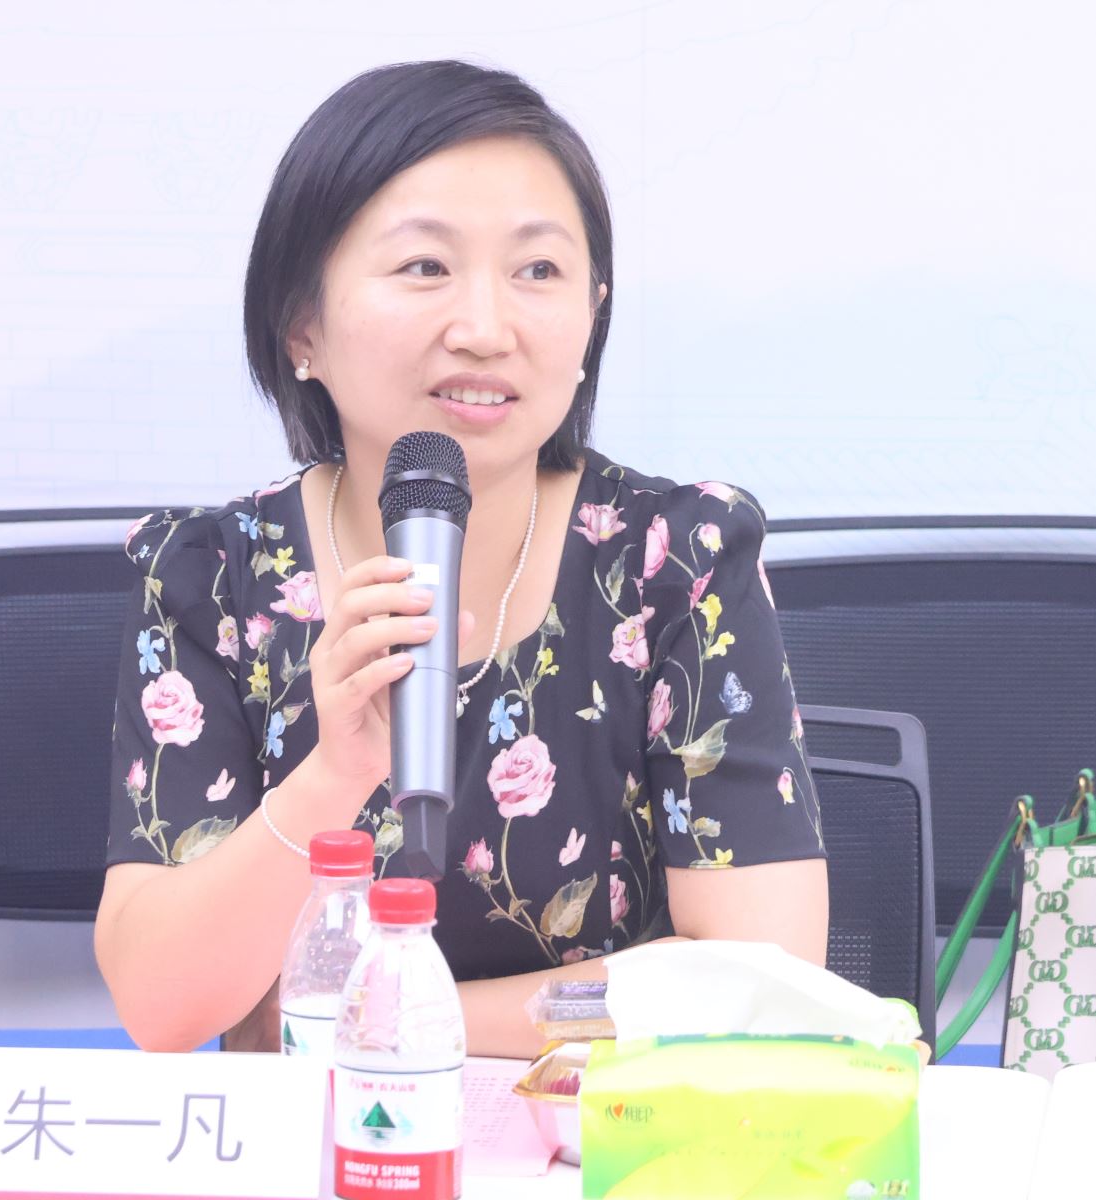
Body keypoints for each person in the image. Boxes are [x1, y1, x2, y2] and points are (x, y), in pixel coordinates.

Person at [94, 60, 828, 1058]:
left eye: (537, 271)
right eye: (424, 267)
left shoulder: (674, 561)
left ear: (591, 316)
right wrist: (331, 777)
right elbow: (164, 1006)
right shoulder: (210, 577)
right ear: (301, 323)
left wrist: (382, 1019)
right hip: (319, 1136)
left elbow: (761, 982)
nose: (484, 329)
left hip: (590, 1133)